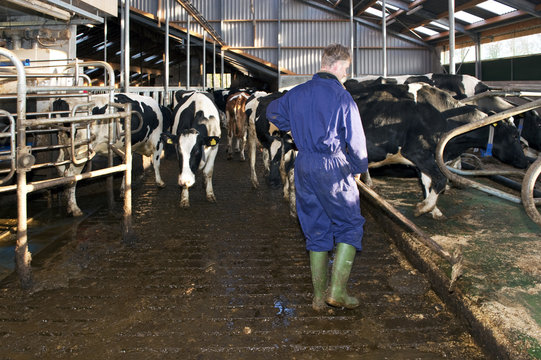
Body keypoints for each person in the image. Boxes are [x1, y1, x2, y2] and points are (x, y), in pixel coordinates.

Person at [266, 44, 368, 311]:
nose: (345, 75)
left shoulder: (296, 93)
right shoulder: (342, 96)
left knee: (315, 227)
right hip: (333, 165)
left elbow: (272, 112)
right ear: (336, 66)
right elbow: (356, 142)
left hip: (304, 164)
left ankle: (318, 298)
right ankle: (337, 292)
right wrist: (358, 167)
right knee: (350, 225)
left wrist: (294, 128)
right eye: (345, 69)